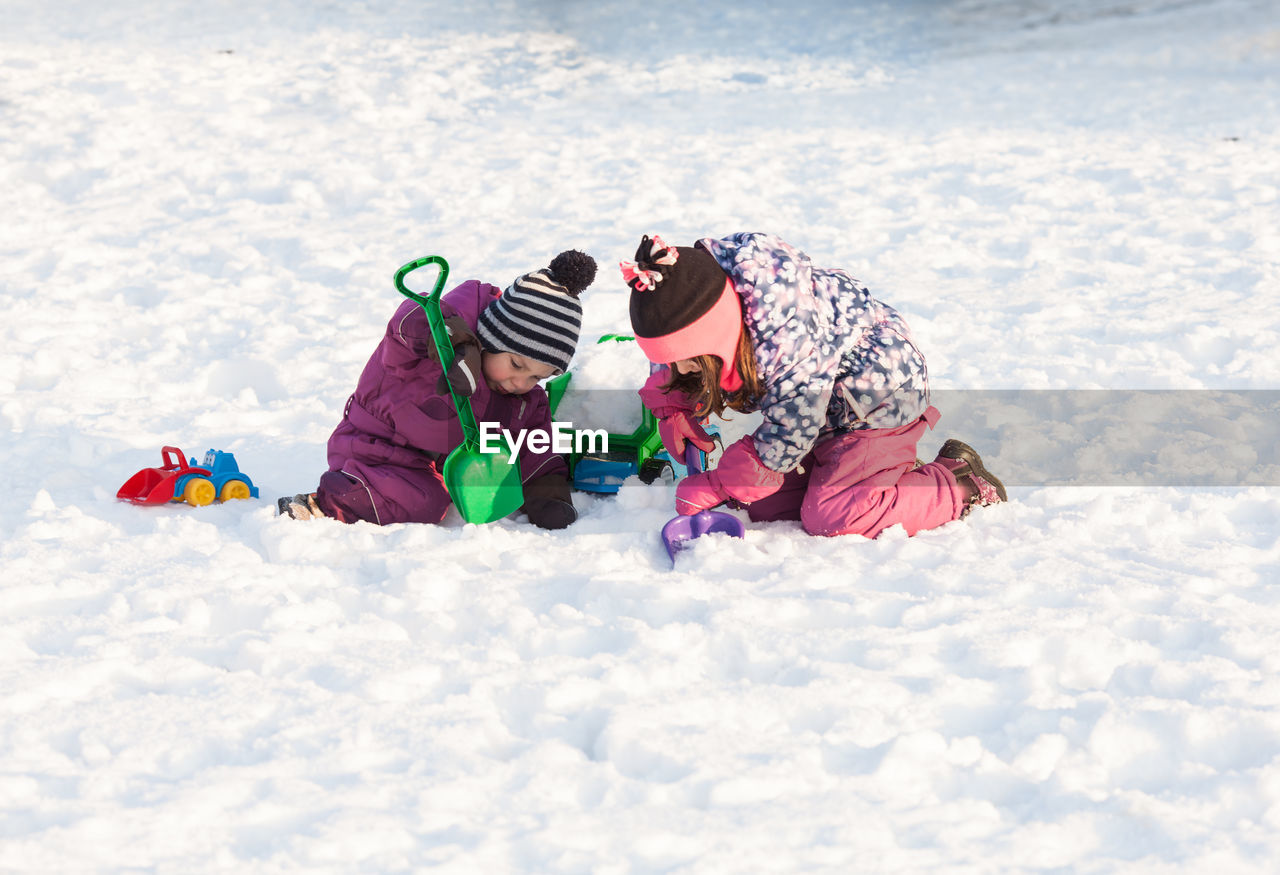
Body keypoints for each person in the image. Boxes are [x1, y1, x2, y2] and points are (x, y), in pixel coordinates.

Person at [621, 232, 1005, 538]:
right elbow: (673, 354)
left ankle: (959, 481)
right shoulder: (701, 299)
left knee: (834, 516)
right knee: (762, 503)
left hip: (878, 399)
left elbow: (790, 433)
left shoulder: (785, 339)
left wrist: (721, 483)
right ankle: (876, 478)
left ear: (718, 336)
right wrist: (673, 408)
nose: (682, 367)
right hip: (826, 408)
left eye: (689, 358)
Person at [278, 250, 597, 529]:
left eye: (536, 378)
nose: (521, 383)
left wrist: (548, 496)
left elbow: (533, 449)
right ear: (490, 337)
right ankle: (326, 501)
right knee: (424, 504)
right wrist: (457, 344)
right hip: (377, 447)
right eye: (516, 365)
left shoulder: (525, 401)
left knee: (433, 495)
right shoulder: (429, 347)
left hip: (437, 466)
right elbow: (408, 322)